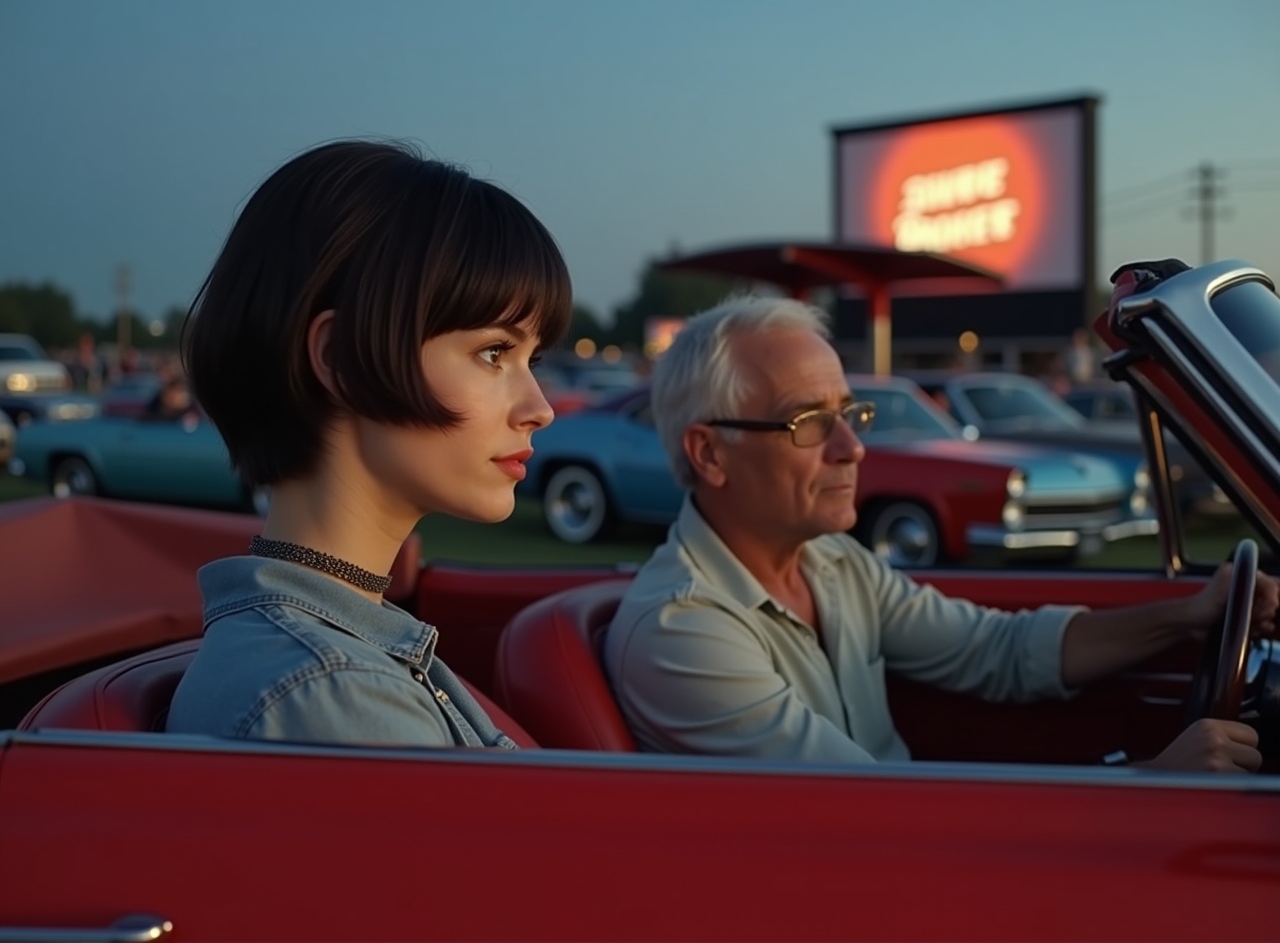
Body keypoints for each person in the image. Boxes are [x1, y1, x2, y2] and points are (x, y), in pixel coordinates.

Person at [603, 295, 1276, 772]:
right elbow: (865, 808)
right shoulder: (681, 630)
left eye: (849, 413)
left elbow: (998, 649)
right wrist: (1150, 785)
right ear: (709, 454)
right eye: (808, 422)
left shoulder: (832, 560)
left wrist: (1190, 615)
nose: (852, 448)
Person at [167, 140, 570, 748]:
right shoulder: (334, 696)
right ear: (341, 360)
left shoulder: (351, 648)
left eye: (531, 359)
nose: (539, 409)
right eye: (494, 352)